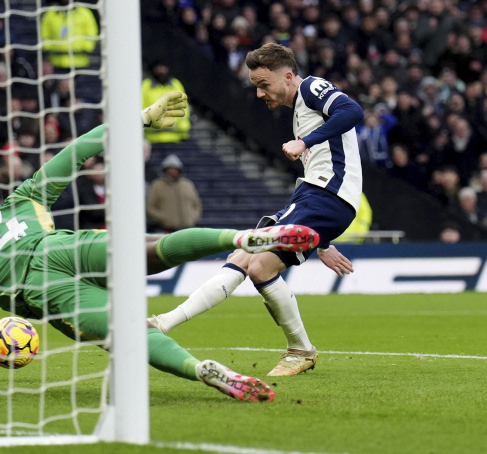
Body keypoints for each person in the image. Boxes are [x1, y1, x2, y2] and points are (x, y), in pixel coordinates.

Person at [0, 92, 320, 402]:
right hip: (64, 249)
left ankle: (204, 371)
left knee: (130, 333)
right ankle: (244, 238)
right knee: (156, 249)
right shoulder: (24, 198)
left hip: (46, 291)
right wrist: (142, 117)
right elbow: (78, 150)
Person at [150, 43, 363, 377]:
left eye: (264, 84)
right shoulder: (299, 110)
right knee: (242, 256)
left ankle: (300, 350)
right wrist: (322, 241)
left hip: (327, 196)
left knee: (260, 266)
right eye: (256, 86)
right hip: (314, 198)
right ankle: (161, 323)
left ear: (289, 76)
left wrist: (303, 142)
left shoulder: (310, 87)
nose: (260, 93)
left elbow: (352, 111)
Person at [146, 154, 202, 232]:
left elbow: (197, 204)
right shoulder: (157, 185)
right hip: (167, 230)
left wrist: (192, 217)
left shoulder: (187, 184)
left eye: (175, 168)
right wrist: (163, 217)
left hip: (187, 229)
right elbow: (150, 207)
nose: (172, 171)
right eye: (170, 168)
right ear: (165, 170)